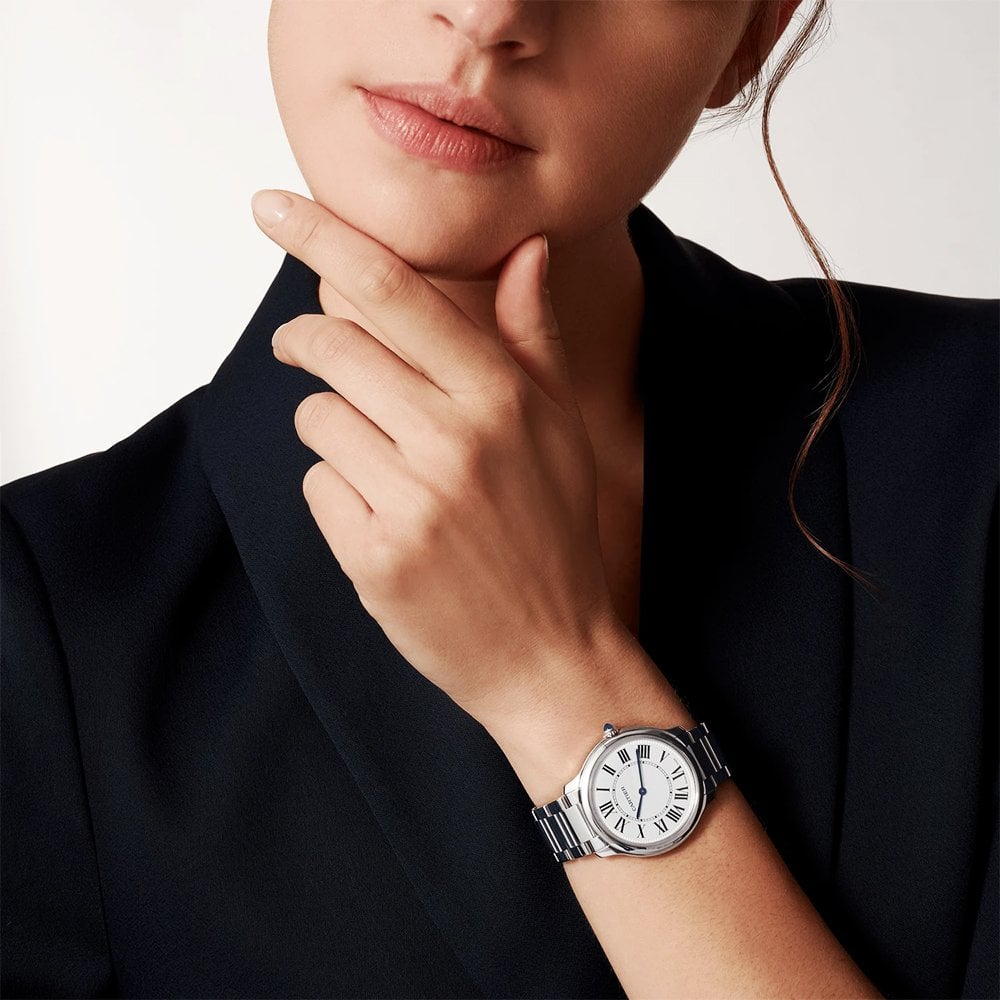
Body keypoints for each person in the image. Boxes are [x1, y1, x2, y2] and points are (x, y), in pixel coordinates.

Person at [2, 2, 996, 998]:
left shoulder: (975, 439)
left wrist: (559, 683)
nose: (487, 15)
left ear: (752, 34)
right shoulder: (44, 629)